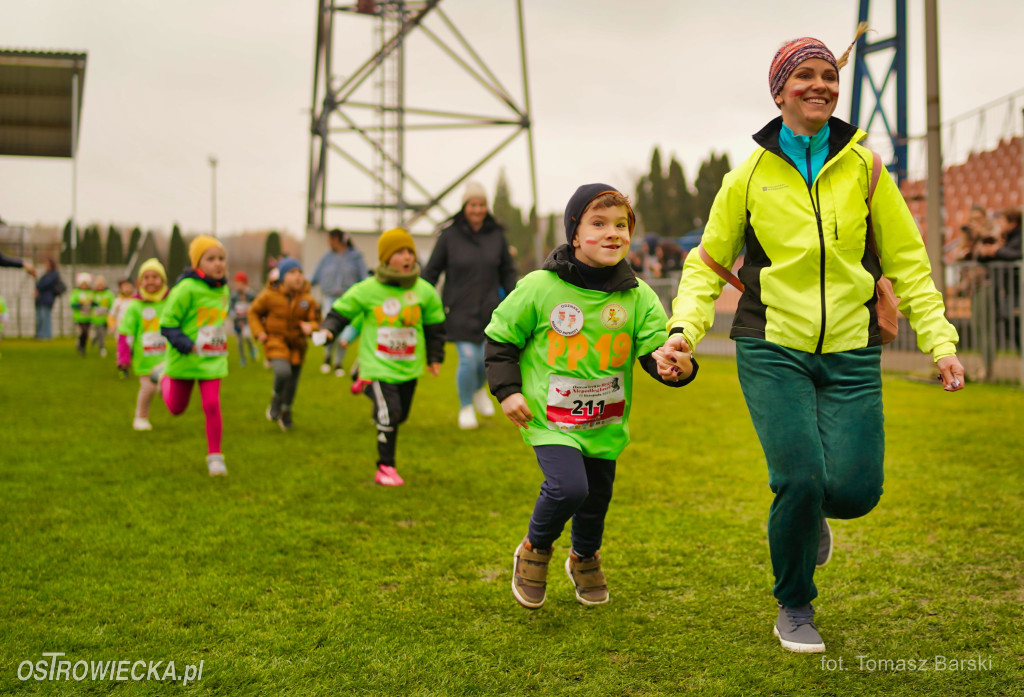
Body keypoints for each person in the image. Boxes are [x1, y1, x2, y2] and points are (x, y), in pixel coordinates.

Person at [654, 34, 965, 654]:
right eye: (806, 76)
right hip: (772, 345)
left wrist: (941, 343)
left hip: (852, 348)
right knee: (798, 477)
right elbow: (707, 264)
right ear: (779, 92)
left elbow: (911, 264)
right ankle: (795, 604)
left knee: (855, 490)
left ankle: (812, 517)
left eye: (828, 74)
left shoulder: (867, 168)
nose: (821, 84)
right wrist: (682, 331)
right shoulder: (747, 177)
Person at [484, 184, 697, 610]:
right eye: (598, 224)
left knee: (596, 499)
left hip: (605, 421)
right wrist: (507, 392)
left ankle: (584, 557)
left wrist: (676, 368)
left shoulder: (638, 297)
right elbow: (501, 339)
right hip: (550, 419)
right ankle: (535, 548)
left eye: (621, 225)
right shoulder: (539, 287)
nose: (612, 233)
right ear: (575, 234)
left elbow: (654, 351)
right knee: (568, 488)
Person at [320, 227, 446, 487]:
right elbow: (341, 311)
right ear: (386, 258)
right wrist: (329, 330)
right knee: (390, 414)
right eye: (399, 252)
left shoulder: (424, 291)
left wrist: (435, 357)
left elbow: (435, 326)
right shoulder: (367, 289)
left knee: (400, 416)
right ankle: (385, 468)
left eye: (409, 251)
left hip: (408, 368)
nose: (407, 256)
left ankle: (363, 383)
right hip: (377, 365)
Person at [423, 181, 518, 429]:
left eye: (482, 204)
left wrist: (515, 299)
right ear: (465, 206)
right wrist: (420, 295)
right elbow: (432, 270)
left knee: (484, 360)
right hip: (458, 309)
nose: (477, 209)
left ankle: (478, 391)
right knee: (468, 359)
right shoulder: (449, 236)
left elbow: (508, 271)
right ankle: (466, 406)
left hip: (490, 309)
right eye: (473, 204)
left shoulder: (496, 235)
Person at [158, 235, 231, 476]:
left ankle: (215, 456)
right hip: (184, 359)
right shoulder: (185, 288)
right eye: (211, 259)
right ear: (197, 264)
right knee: (176, 409)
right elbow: (167, 323)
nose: (218, 264)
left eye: (221, 258)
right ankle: (162, 378)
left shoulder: (225, 290)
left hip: (212, 361)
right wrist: (187, 345)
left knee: (211, 405)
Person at [247, 257, 320, 431]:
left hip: (297, 344)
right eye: (292, 272)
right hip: (275, 340)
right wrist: (260, 333)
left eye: (300, 273)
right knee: (282, 372)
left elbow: (317, 321)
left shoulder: (308, 300)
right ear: (281, 276)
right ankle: (276, 398)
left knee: (293, 382)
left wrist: (311, 326)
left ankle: (285, 411)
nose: (298, 277)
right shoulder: (268, 295)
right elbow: (253, 313)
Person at [117, 259, 169, 430]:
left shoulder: (170, 303)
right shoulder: (135, 306)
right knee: (148, 388)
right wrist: (124, 357)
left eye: (155, 276)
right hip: (144, 358)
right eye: (146, 277)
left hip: (167, 357)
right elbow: (125, 333)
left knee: (166, 386)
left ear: (163, 280)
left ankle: (168, 394)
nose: (151, 280)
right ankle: (141, 417)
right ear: (140, 282)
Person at [310, 228, 367, 376]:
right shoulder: (326, 258)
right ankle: (327, 358)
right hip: (330, 297)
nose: (328, 243)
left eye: (329, 239)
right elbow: (314, 277)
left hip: (349, 299)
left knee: (345, 332)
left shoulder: (355, 257)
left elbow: (364, 278)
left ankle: (338, 363)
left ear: (336, 239)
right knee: (329, 327)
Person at [229, 271, 258, 367]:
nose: (237, 285)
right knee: (239, 341)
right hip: (237, 321)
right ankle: (242, 358)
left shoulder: (250, 294)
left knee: (247, 336)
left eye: (239, 283)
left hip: (247, 321)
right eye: (236, 283)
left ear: (244, 283)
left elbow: (256, 304)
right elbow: (230, 307)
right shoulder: (234, 295)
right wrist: (233, 314)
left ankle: (252, 349)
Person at [33, 258, 64, 340]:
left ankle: (46, 335)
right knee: (40, 318)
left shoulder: (53, 274)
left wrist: (38, 289)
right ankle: (40, 334)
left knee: (45, 317)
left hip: (46, 299)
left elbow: (44, 284)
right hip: (41, 299)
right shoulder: (46, 274)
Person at [90, 275, 115, 358]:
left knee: (102, 334)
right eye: (98, 285)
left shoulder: (108, 294)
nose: (100, 287)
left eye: (101, 285)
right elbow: (89, 304)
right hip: (97, 318)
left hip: (106, 318)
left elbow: (113, 304)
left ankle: (94, 340)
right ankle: (102, 348)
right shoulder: (93, 294)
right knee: (100, 333)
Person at [70, 272, 94, 356]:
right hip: (79, 317)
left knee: (86, 333)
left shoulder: (91, 292)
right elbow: (72, 303)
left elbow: (94, 303)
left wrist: (92, 304)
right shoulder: (76, 292)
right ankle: (81, 346)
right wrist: (80, 304)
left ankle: (82, 346)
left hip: (88, 317)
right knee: (83, 331)